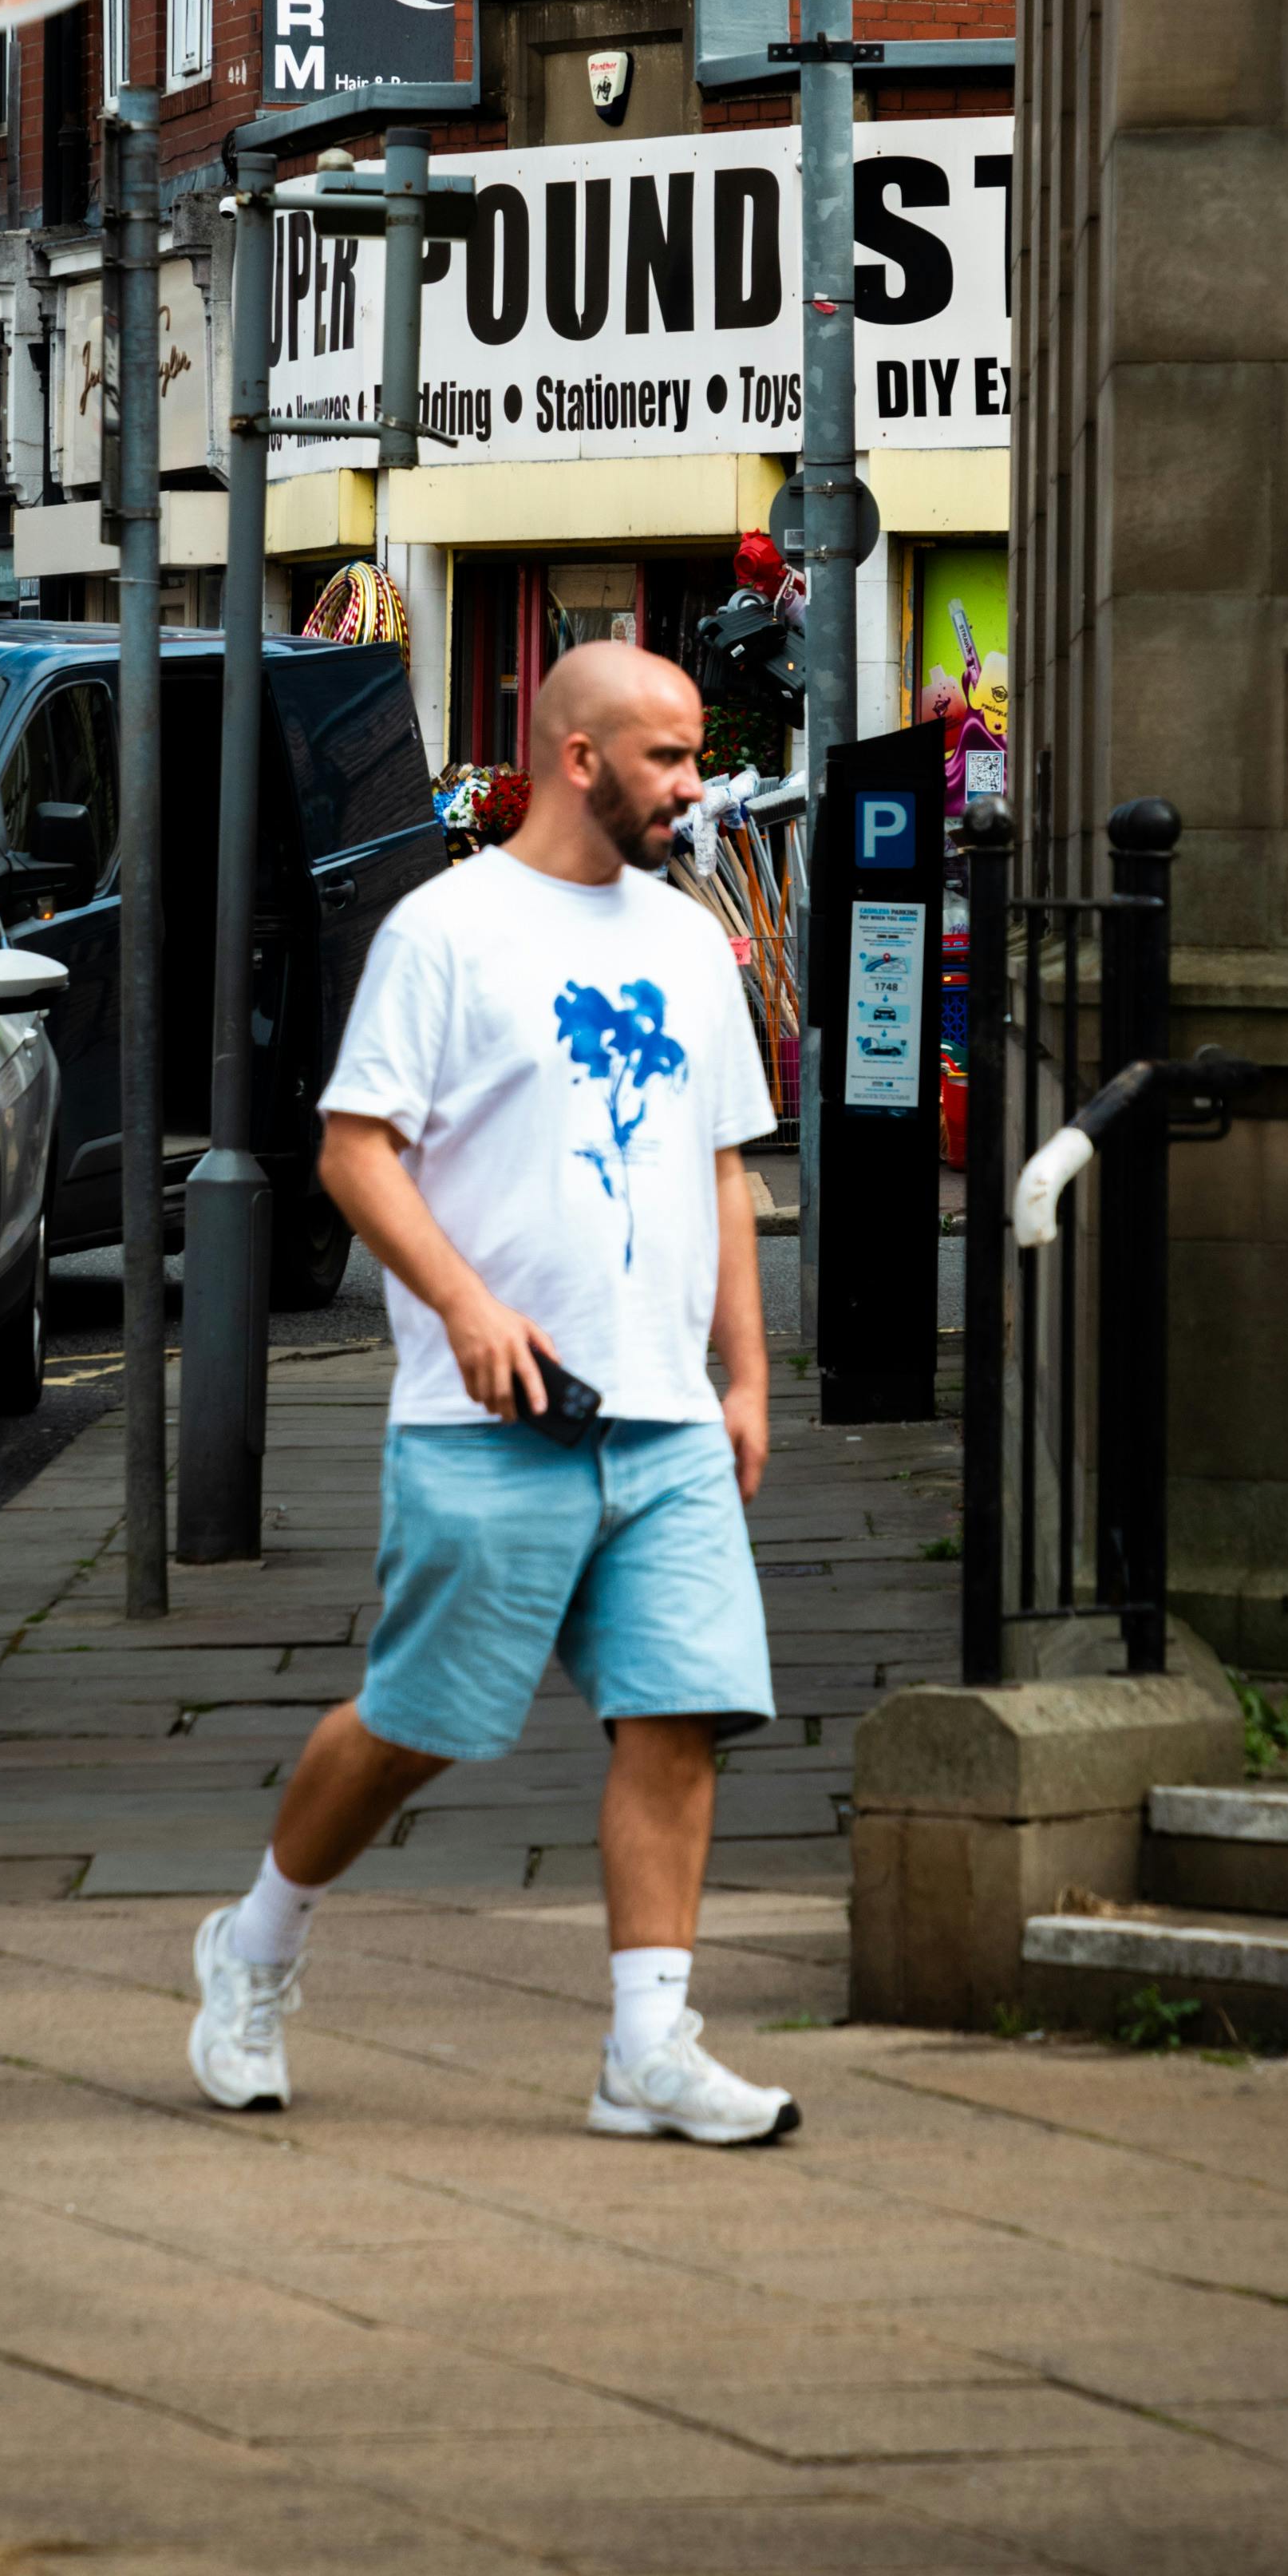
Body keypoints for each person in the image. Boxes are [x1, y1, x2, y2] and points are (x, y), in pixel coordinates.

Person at [188, 639, 796, 2146]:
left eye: (697, 754)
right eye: (667, 757)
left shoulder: (689, 944)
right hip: (493, 1421)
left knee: (682, 1712)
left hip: (661, 1416)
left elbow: (724, 1167)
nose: (693, 784)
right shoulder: (446, 932)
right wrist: (458, 1305)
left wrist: (749, 1376)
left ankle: (648, 2045)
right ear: (579, 757)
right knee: (419, 1725)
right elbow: (352, 1147)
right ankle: (253, 1943)